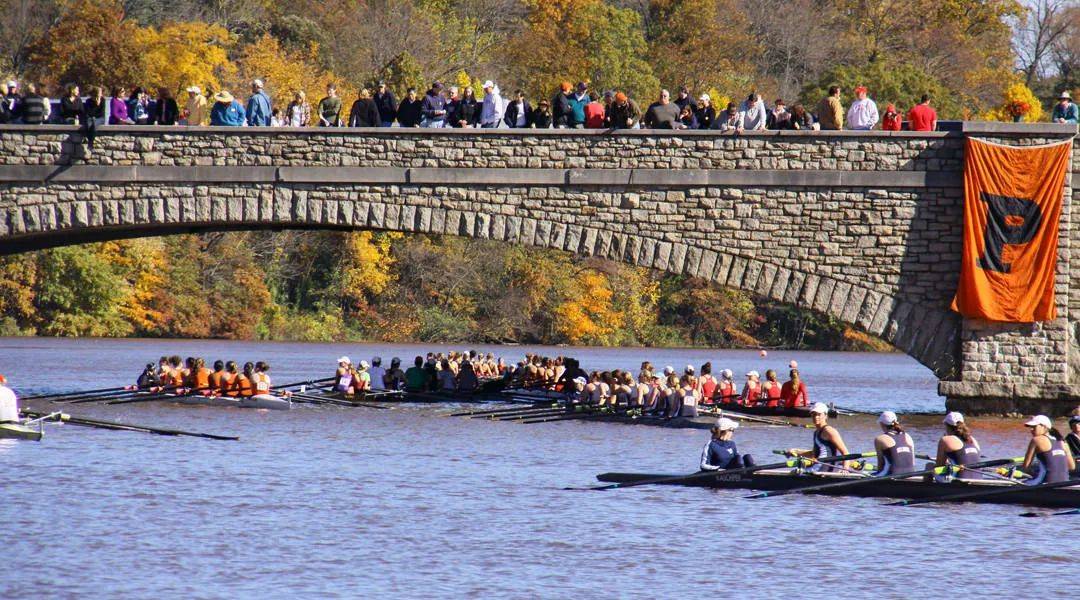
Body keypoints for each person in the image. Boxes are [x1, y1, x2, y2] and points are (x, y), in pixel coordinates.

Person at [789, 402, 851, 471]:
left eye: (819, 414)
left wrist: (845, 469)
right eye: (814, 414)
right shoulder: (816, 432)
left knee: (795, 472)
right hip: (817, 467)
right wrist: (796, 451)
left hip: (823, 470)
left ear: (825, 416)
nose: (816, 417)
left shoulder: (829, 431)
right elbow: (813, 454)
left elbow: (845, 453)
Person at [1021, 415, 1075, 484]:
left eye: (1034, 427)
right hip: (1064, 482)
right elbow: (1072, 467)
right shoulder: (1063, 442)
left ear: (1044, 426)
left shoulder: (1036, 440)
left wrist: (1034, 472)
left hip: (1045, 483)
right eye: (1030, 427)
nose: (1031, 429)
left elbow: (1025, 467)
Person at [933, 411, 983, 481]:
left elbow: (939, 467)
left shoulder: (945, 439)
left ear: (948, 426)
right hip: (979, 481)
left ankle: (925, 488)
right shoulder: (973, 440)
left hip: (959, 482)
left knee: (929, 466)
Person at [872, 411, 916, 476]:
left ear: (881, 424)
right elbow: (913, 461)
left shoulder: (880, 439)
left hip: (891, 476)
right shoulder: (907, 436)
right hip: (911, 473)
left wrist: (875, 476)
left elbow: (881, 464)